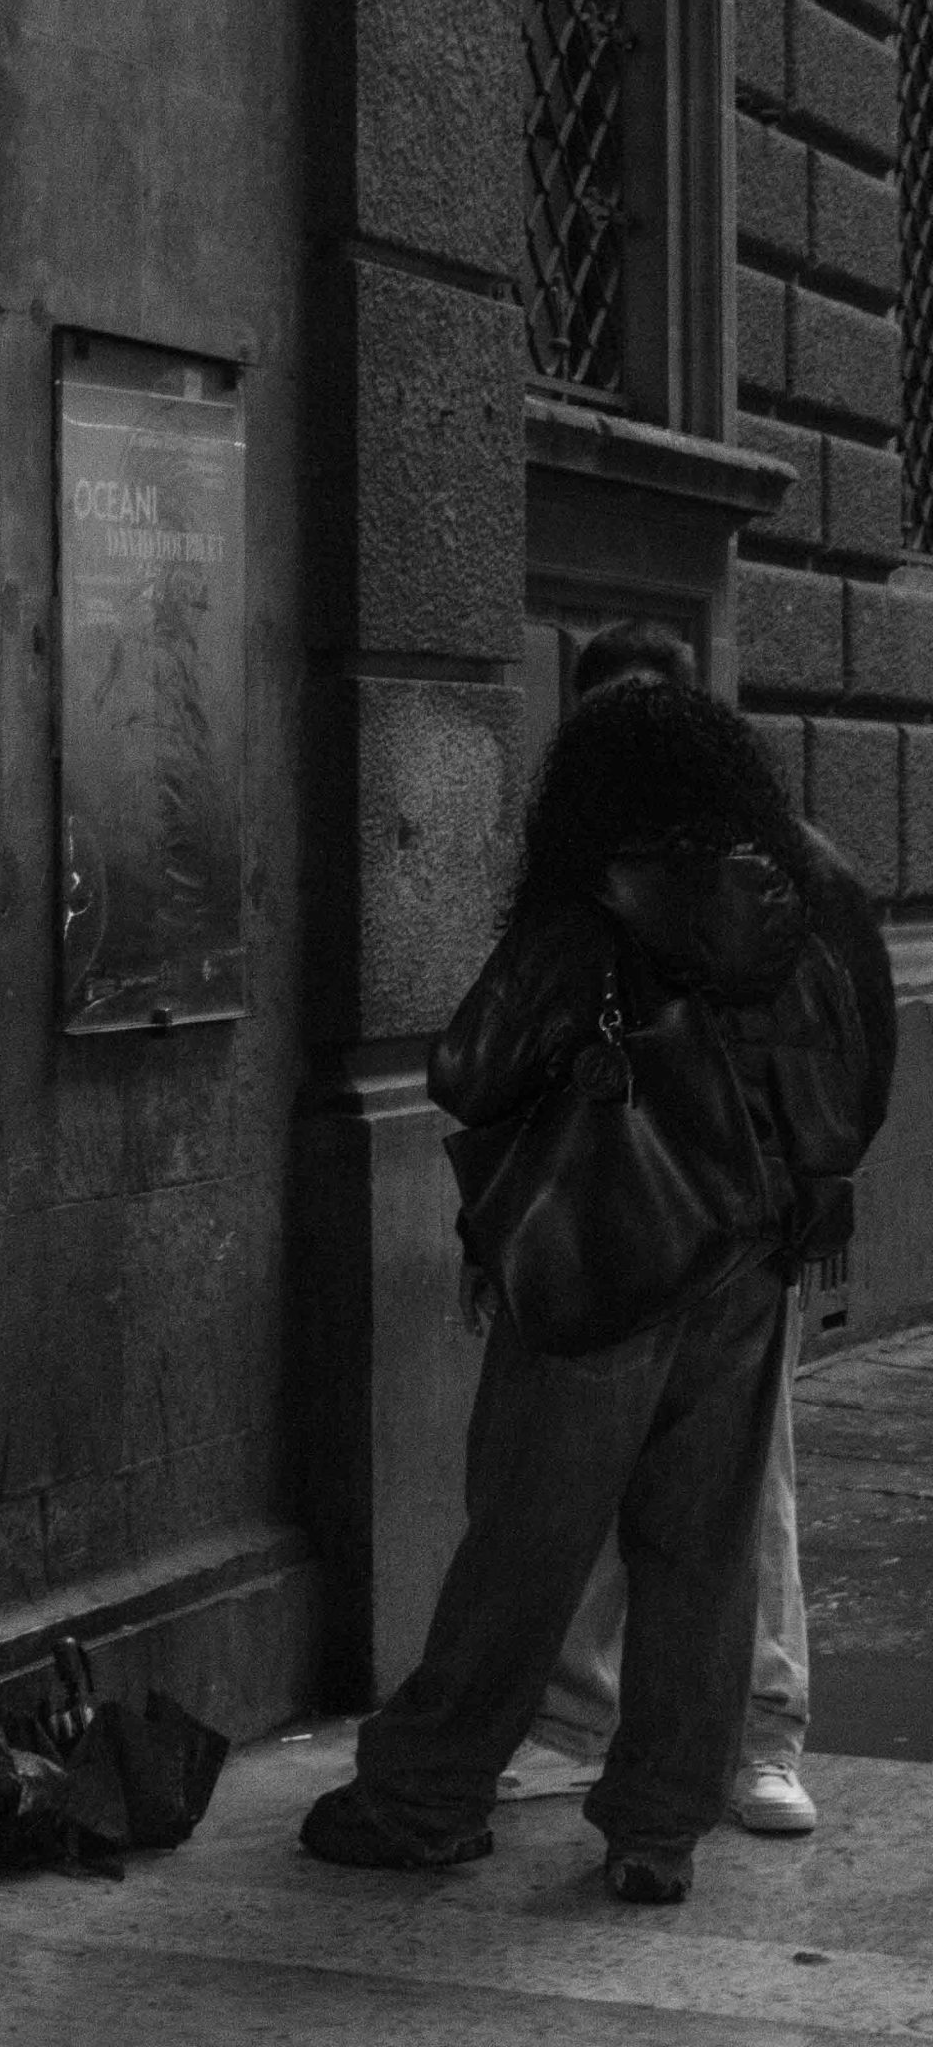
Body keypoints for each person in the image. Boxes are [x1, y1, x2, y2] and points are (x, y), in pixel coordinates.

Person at [299, 666, 888, 1902]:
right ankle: (657, 1831)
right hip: (746, 1262)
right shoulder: (816, 877)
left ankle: (423, 1795)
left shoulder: (595, 894)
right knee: (703, 1552)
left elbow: (469, 1066)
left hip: (604, 1259)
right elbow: (861, 1068)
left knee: (527, 1539)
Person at [494, 626, 895, 1841]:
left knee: (744, 1494)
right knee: (588, 1480)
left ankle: (761, 1735)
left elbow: (854, 1050)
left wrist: (809, 1194)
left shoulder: (791, 867)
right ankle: (580, 1719)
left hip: (733, 1231)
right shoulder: (581, 873)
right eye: (603, 721)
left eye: (643, 716)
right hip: (608, 1226)